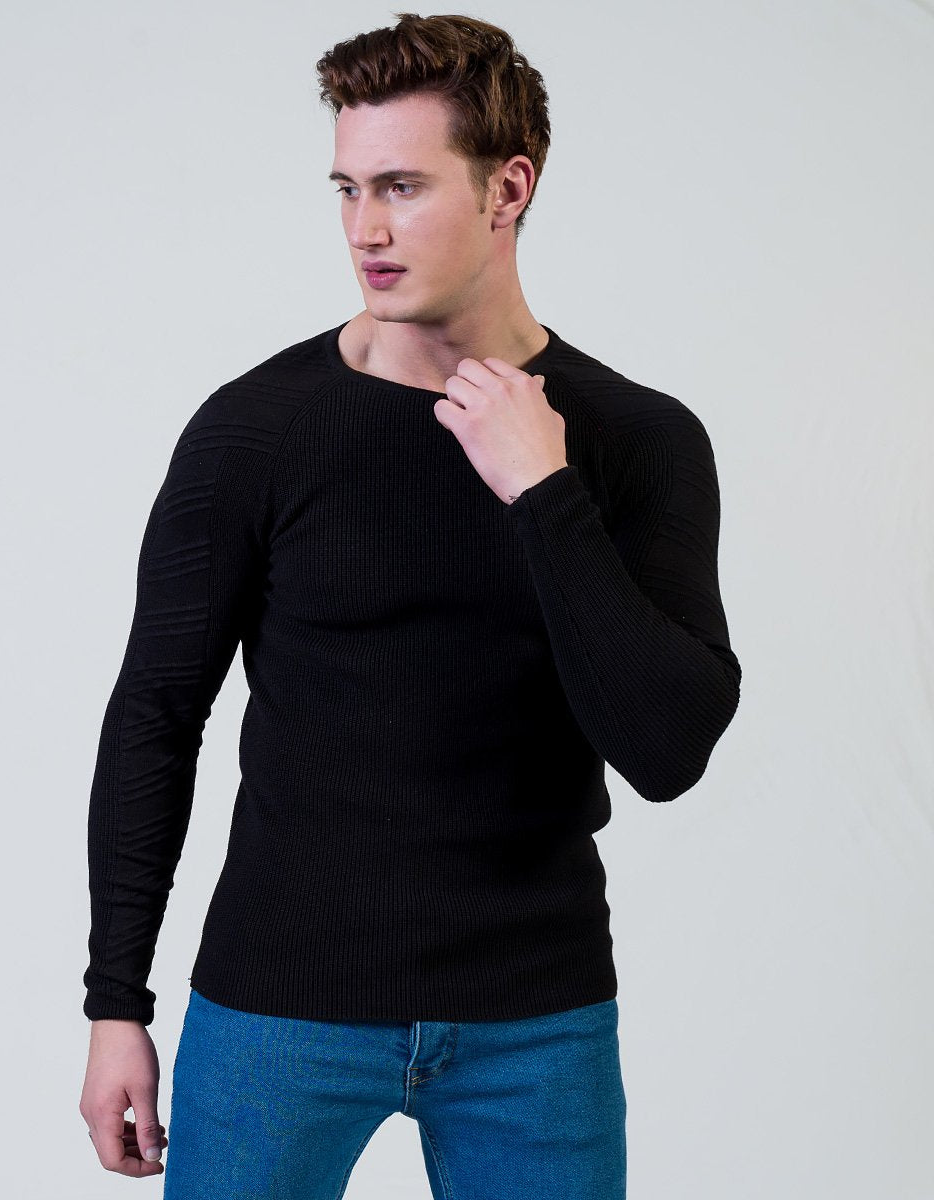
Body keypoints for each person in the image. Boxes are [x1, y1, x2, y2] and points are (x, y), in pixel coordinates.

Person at [78, 12, 741, 1198]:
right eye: (347, 189)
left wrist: (545, 493)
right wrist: (114, 1004)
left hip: (535, 1024)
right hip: (277, 1009)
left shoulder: (635, 439)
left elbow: (668, 750)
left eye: (401, 187)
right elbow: (155, 715)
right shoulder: (256, 432)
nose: (364, 230)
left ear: (508, 189)